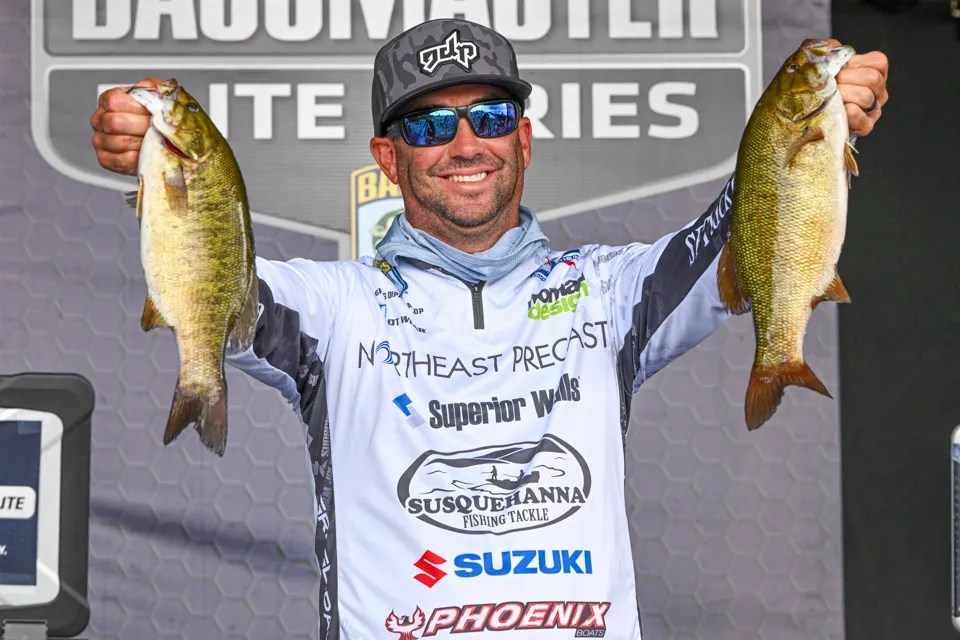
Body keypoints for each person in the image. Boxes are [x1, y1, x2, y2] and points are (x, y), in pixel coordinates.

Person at [89, 18, 889, 640]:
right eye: (429, 127)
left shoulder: (606, 293)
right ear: (388, 157)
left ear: (523, 140)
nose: (465, 144)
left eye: (492, 116)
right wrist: (161, 160)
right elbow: (212, 279)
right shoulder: (332, 307)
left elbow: (747, 230)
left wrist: (815, 123)